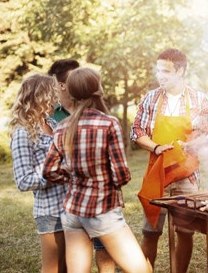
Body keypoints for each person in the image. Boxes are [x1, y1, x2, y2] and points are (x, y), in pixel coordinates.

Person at [43, 67, 151, 273]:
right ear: (98, 89)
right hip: (102, 211)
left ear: (72, 93)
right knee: (142, 270)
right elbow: (122, 175)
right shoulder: (109, 123)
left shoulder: (61, 127)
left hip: (72, 212)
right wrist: (98, 177)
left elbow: (49, 171)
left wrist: (73, 174)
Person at [130, 48, 208, 273]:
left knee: (184, 232)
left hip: (187, 176)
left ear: (180, 70)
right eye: (158, 70)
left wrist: (190, 145)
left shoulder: (199, 99)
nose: (160, 75)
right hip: (157, 175)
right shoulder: (151, 98)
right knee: (150, 233)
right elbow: (136, 131)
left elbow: (207, 134)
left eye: (166, 71)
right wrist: (156, 147)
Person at [48, 59, 116, 272]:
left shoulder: (94, 112)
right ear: (62, 85)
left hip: (98, 198)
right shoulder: (51, 116)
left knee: (104, 248)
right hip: (66, 199)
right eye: (75, 75)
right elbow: (51, 164)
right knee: (72, 260)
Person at [10, 74, 67, 273]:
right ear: (39, 96)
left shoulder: (53, 124)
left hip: (71, 205)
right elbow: (23, 181)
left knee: (69, 267)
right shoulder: (22, 132)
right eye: (52, 94)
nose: (56, 98)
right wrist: (57, 173)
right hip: (50, 211)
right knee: (53, 269)